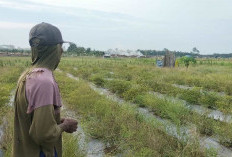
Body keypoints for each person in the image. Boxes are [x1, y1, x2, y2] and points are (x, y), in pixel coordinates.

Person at [13, 22, 78, 157]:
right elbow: (42, 134)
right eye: (60, 46)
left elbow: (30, 117)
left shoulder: (28, 75)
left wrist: (54, 119)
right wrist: (64, 127)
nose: (62, 51)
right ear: (55, 49)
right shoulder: (43, 81)